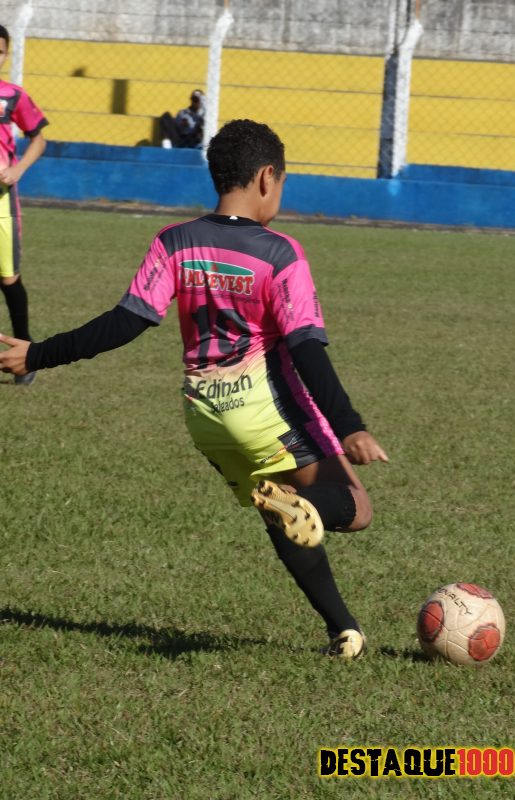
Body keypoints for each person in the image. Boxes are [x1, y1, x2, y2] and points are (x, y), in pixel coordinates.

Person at [0, 119, 388, 659]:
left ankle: (344, 631)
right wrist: (349, 426)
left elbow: (124, 322)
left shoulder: (175, 241)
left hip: (205, 414)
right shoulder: (280, 253)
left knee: (280, 512)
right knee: (353, 506)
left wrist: (38, 354)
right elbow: (305, 348)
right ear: (267, 177)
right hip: (265, 406)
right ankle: (307, 526)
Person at [0, 23, 48, 385]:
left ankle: (25, 354)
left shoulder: (12, 96)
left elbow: (38, 139)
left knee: (8, 278)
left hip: (1, 201)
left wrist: (17, 169)